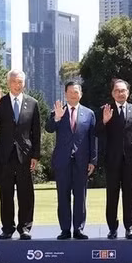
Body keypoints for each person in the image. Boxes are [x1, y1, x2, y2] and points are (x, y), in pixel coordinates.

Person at [0, 70, 41, 240]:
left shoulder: (33, 103)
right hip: (5, 155)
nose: (17, 85)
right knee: (6, 193)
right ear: (8, 83)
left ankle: (24, 227)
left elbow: (36, 132)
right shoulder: (0, 102)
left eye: (20, 82)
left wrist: (36, 155)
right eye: (14, 82)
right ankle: (7, 228)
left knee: (26, 193)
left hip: (25, 156)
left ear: (24, 83)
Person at [46, 81, 97, 240]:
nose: (73, 95)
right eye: (70, 92)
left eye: (76, 92)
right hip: (62, 161)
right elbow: (48, 129)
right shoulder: (57, 111)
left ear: (80, 94)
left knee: (80, 196)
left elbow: (93, 138)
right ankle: (65, 230)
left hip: (82, 161)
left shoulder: (89, 114)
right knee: (63, 196)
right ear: (65, 94)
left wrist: (93, 160)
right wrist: (57, 118)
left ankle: (79, 229)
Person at [97, 79, 132, 239]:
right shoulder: (105, 109)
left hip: (130, 161)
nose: (120, 93)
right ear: (112, 93)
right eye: (117, 91)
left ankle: (130, 228)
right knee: (112, 195)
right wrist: (104, 121)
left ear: (128, 92)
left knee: (130, 195)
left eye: (123, 90)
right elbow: (96, 132)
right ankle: (112, 228)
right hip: (112, 160)